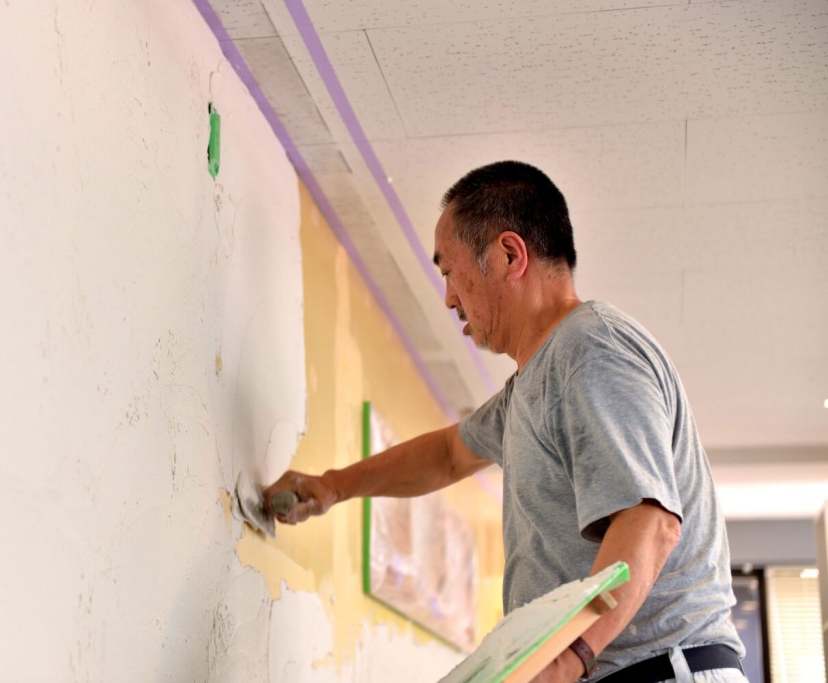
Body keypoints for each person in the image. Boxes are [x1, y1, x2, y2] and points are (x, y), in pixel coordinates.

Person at [263, 161, 747, 682]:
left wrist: (565, 662)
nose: (448, 297)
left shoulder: (590, 352)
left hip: (656, 671)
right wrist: (332, 487)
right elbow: (448, 454)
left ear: (509, 254)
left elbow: (650, 524)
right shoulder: (534, 384)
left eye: (448, 271)